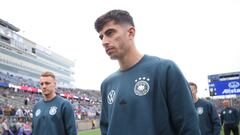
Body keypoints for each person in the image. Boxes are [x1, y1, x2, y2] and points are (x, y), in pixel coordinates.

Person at [94, 9, 201, 135]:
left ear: (131, 32)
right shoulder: (107, 84)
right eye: (101, 37)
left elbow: (188, 127)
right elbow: (106, 129)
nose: (104, 42)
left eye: (110, 33)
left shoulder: (165, 69)